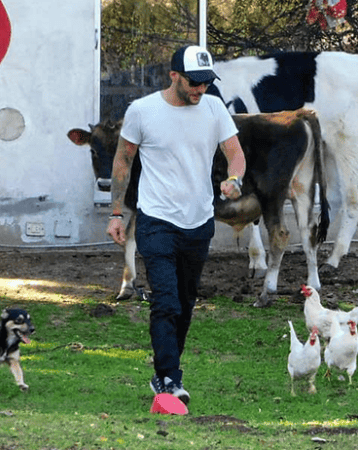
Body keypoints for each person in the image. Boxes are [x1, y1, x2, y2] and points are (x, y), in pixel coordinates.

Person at [106, 45, 246, 406]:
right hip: (157, 220)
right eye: (194, 83)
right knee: (165, 300)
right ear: (174, 77)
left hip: (198, 222)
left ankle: (166, 369)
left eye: (206, 83)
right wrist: (117, 212)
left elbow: (235, 153)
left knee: (184, 302)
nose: (200, 90)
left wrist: (235, 179)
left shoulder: (214, 108)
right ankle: (169, 378)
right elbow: (123, 162)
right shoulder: (143, 111)